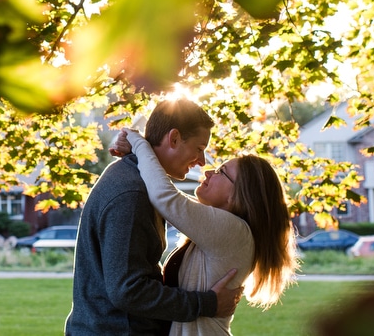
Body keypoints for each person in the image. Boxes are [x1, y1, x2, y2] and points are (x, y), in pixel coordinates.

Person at [65, 99, 243, 335]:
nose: (202, 162)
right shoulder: (133, 193)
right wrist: (207, 303)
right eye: (199, 148)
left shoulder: (137, 180)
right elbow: (129, 290)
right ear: (174, 138)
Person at [111, 128, 298, 336]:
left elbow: (164, 197)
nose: (208, 172)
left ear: (238, 195)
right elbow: (165, 193)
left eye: (221, 172)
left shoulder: (233, 230)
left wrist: (137, 142)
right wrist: (137, 148)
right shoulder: (225, 227)